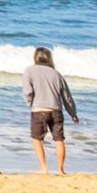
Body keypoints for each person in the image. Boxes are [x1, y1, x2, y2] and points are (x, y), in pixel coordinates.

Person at [22, 46, 77, 174]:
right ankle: (60, 169)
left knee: (36, 139)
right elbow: (66, 96)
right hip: (56, 110)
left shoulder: (29, 71)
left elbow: (27, 92)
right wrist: (73, 113)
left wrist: (30, 103)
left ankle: (43, 168)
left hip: (39, 109)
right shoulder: (56, 74)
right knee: (59, 139)